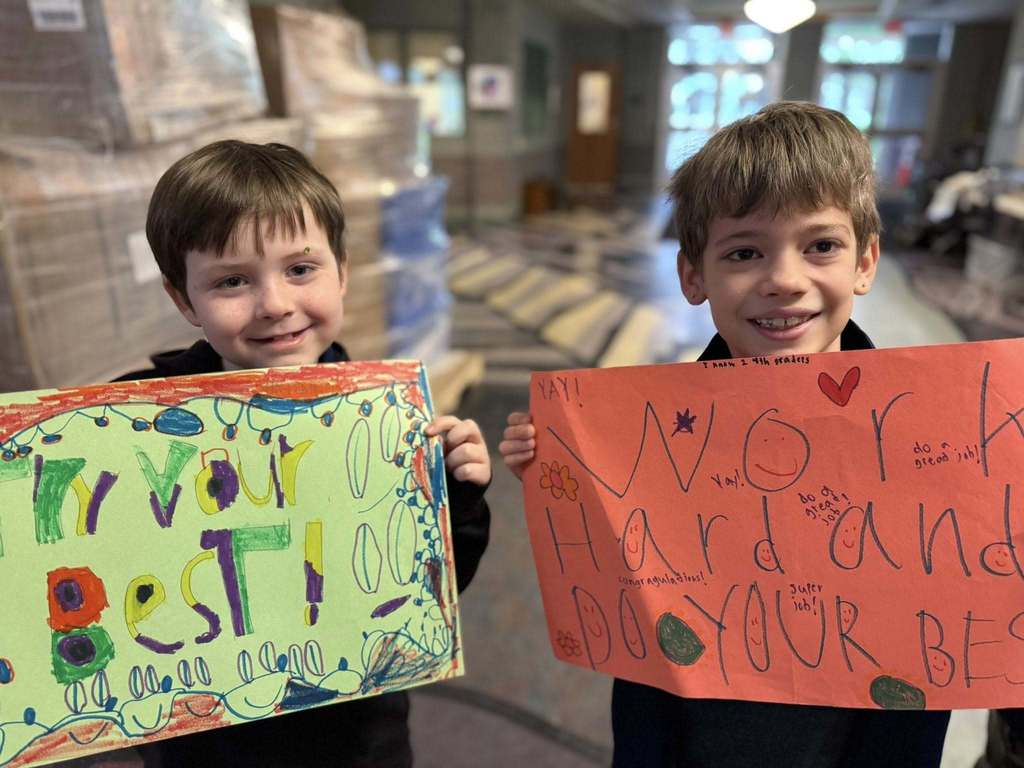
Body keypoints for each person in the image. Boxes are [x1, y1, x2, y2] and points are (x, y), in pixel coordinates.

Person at [498, 101, 950, 767]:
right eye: (745, 252)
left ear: (866, 261)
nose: (786, 281)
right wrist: (557, 474)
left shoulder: (935, 432)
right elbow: (622, 576)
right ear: (693, 276)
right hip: (692, 735)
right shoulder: (649, 440)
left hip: (862, 739)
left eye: (820, 245)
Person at [118, 140, 491, 767]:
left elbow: (435, 587)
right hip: (205, 742)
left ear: (342, 271)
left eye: (300, 269)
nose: (275, 304)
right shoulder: (134, 422)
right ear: (184, 299)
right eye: (233, 280)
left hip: (355, 738)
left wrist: (459, 493)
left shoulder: (387, 421)